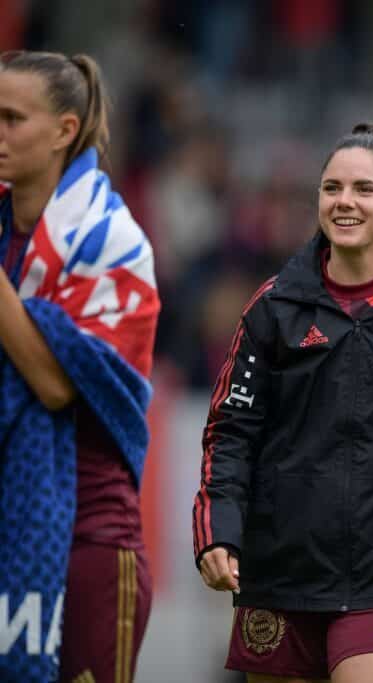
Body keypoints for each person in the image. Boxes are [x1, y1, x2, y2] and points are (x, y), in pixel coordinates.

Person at [192, 123, 373, 683]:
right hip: (278, 572)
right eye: (332, 187)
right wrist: (218, 530)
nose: (345, 202)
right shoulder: (275, 304)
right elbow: (230, 430)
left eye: (364, 189)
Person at [0, 51, 160, 683]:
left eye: (12, 119)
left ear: (66, 130)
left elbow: (54, 382)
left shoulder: (115, 243)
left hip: (89, 541)